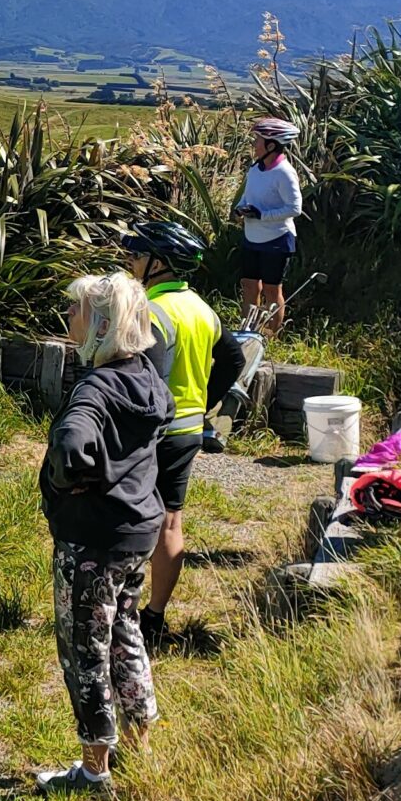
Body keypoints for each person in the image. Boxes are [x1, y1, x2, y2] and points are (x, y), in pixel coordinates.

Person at [33, 272, 169, 799]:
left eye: (78, 311)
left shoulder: (94, 387)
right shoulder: (146, 377)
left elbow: (73, 441)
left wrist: (68, 480)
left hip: (92, 538)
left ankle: (94, 772)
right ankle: (139, 747)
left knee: (85, 647)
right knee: (125, 634)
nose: (69, 317)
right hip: (138, 532)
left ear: (103, 326)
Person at [124, 221, 243, 651]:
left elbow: (147, 378)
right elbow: (233, 359)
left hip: (152, 432)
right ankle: (154, 616)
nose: (131, 262)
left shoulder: (153, 311)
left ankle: (117, 610)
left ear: (158, 264)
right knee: (171, 521)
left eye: (138, 256)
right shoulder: (202, 309)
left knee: (129, 519)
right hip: (189, 429)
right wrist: (204, 401)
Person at [235, 117, 304, 333]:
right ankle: (248, 332)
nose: (254, 144)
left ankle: (271, 335)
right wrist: (240, 208)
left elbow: (294, 208)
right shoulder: (256, 168)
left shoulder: (284, 172)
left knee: (272, 290)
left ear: (271, 146)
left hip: (277, 238)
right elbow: (247, 196)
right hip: (252, 236)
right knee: (249, 285)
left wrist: (262, 215)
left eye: (258, 140)